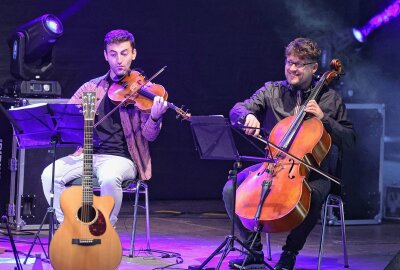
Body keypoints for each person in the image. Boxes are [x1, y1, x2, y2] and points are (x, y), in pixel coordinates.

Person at [223, 37, 355, 270]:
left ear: (314, 67)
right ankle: (253, 251)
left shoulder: (330, 99)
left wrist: (324, 120)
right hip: (273, 165)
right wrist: (247, 117)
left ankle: (290, 253)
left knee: (311, 195)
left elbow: (350, 138)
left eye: (299, 64)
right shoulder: (272, 91)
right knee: (230, 189)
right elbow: (237, 108)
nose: (292, 68)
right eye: (289, 62)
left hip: (314, 172)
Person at [41, 29, 168, 226]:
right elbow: (65, 117)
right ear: (105, 55)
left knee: (109, 178)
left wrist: (155, 117)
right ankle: (67, 228)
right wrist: (71, 120)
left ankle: (106, 230)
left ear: (133, 54)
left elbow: (149, 136)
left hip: (123, 159)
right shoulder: (91, 87)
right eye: (113, 54)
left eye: (124, 53)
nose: (119, 60)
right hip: (88, 154)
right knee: (49, 174)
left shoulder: (144, 91)